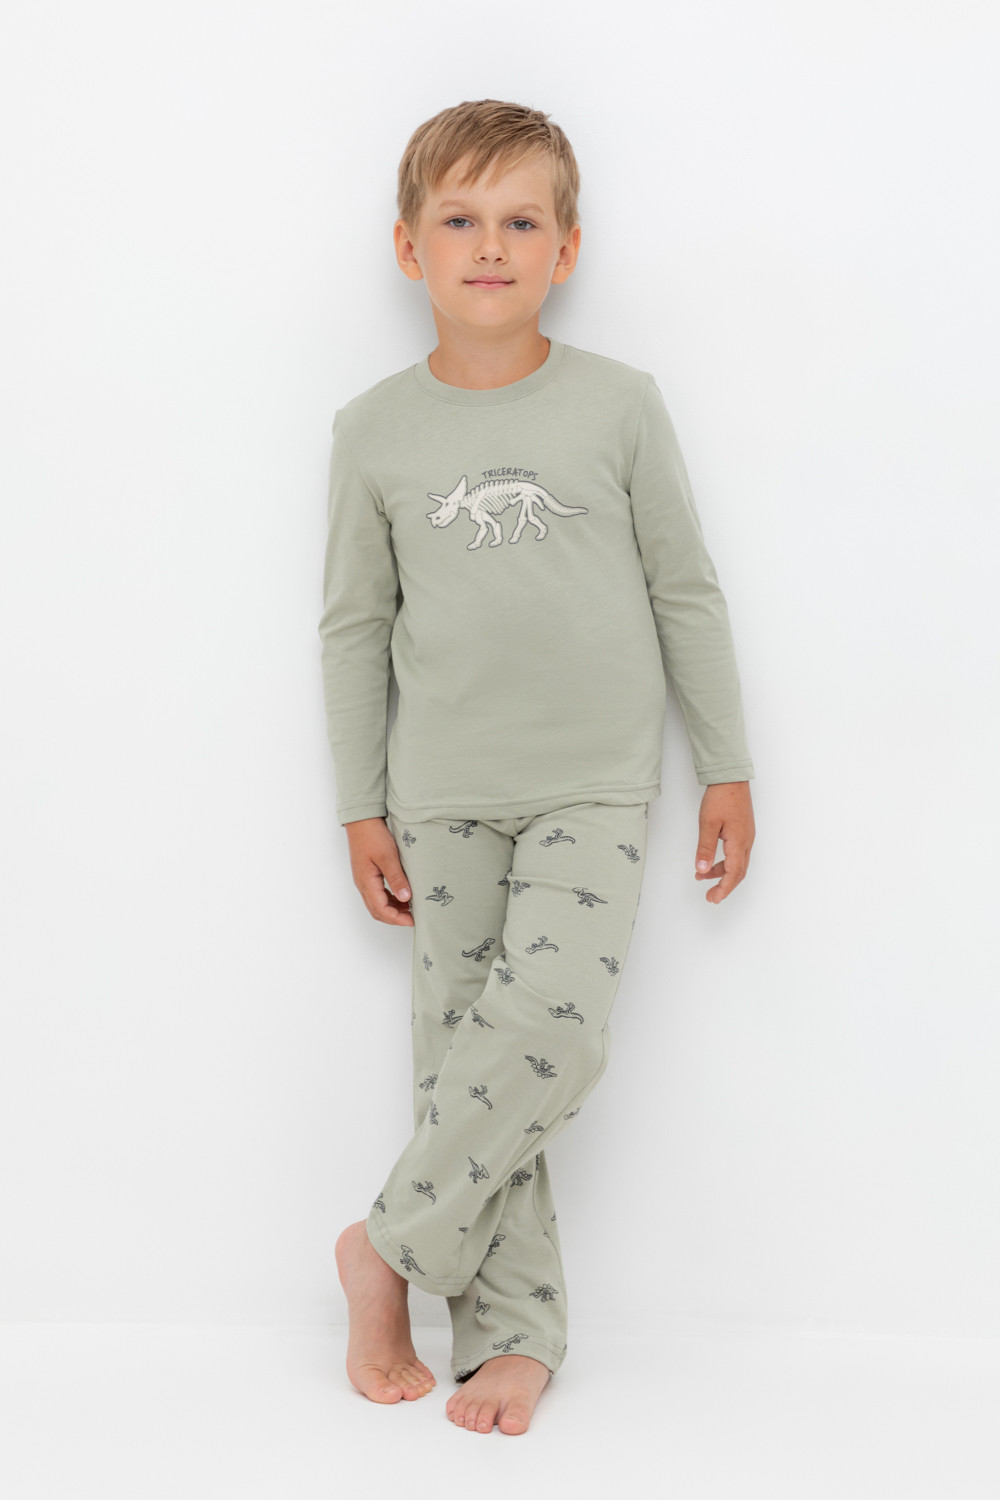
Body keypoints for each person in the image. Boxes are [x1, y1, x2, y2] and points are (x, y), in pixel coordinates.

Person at [318, 98, 756, 1437]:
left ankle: (385, 1246)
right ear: (410, 247)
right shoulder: (374, 431)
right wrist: (358, 805)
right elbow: (354, 627)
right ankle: (508, 1335)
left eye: (521, 221)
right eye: (460, 219)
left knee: (554, 1029)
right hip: (441, 789)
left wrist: (728, 762)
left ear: (567, 249)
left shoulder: (620, 405)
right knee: (466, 1056)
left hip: (593, 781)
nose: (491, 245)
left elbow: (684, 587)